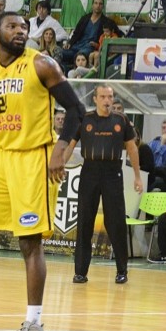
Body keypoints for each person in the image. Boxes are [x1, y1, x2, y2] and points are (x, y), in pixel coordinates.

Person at [0, 11, 86, 331]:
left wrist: (62, 151)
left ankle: (34, 326)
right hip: (1, 157)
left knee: (29, 243)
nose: (20, 31)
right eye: (12, 26)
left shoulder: (42, 64)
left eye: (24, 27)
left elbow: (76, 110)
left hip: (34, 156)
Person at [66, 84, 142, 284]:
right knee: (84, 221)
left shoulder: (121, 120)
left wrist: (137, 176)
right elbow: (70, 145)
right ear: (95, 99)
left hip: (113, 173)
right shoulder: (85, 119)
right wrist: (58, 166)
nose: (107, 100)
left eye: (110, 96)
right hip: (89, 172)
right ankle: (80, 272)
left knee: (116, 222)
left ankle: (122, 271)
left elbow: (132, 149)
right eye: (103, 97)